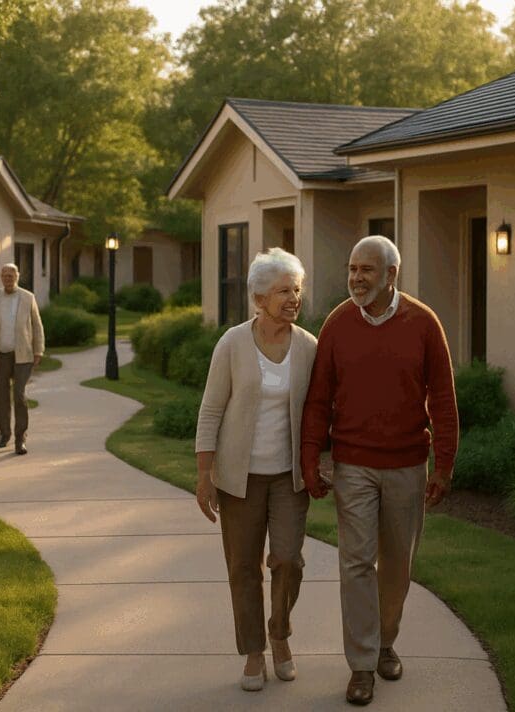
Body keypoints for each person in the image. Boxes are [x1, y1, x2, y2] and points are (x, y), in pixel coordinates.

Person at [301, 235, 458, 706]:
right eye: (352, 269)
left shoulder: (424, 323)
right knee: (355, 564)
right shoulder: (337, 325)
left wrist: (443, 465)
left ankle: (387, 638)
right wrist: (312, 460)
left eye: (366, 270)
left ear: (391, 275)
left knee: (397, 566)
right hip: (353, 466)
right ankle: (363, 664)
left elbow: (444, 401)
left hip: (408, 463)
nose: (356, 278)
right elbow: (317, 401)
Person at [194, 248, 318, 692]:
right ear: (260, 297)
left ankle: (279, 634)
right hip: (238, 479)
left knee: (288, 559)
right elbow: (211, 411)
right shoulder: (231, 343)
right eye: (284, 290)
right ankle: (252, 652)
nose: (293, 298)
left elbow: (321, 412)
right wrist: (204, 474)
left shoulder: (308, 347)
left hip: (289, 477)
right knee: (243, 567)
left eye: (297, 290)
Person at [0, 262, 45, 455]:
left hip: (23, 354)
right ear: (1, 278)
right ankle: (4, 434)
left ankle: (21, 438)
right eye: (5, 276)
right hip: (2, 354)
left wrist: (39, 350)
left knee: (19, 395)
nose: (8, 279)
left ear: (17, 277)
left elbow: (37, 325)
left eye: (11, 276)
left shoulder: (28, 297)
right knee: (1, 396)